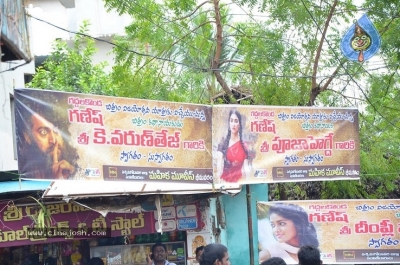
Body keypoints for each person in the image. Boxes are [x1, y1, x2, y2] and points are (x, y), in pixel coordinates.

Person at [15, 92, 78, 179]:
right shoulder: (24, 179)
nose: (53, 140)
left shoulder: (75, 171)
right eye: (43, 132)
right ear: (27, 137)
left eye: (56, 129)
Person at [216, 109, 249, 183]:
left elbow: (246, 169)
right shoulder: (223, 143)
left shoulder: (244, 146)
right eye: (231, 121)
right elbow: (219, 166)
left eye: (236, 121)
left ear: (239, 124)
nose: (233, 124)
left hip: (239, 183)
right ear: (229, 123)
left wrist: (247, 182)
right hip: (225, 183)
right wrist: (219, 183)